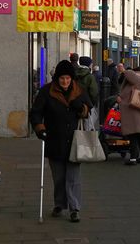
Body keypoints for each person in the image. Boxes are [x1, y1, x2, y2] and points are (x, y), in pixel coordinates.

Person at [30, 60, 92, 223]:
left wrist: (81, 108)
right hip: (54, 139)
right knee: (58, 177)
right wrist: (40, 128)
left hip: (74, 141)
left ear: (72, 78)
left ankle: (74, 208)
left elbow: (89, 109)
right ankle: (59, 204)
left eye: (68, 78)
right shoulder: (46, 92)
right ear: (57, 78)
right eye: (62, 78)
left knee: (73, 177)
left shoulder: (79, 91)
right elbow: (36, 113)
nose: (65, 82)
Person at [118, 67, 140, 165]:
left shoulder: (138, 79)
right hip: (137, 113)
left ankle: (133, 159)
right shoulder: (138, 82)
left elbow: (130, 75)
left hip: (134, 113)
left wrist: (123, 69)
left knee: (133, 136)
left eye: (136, 71)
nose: (134, 73)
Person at [76, 56, 99, 129]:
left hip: (76, 101)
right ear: (88, 64)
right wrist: (92, 103)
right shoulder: (90, 77)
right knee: (88, 122)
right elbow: (93, 92)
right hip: (87, 102)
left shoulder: (74, 74)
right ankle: (86, 136)